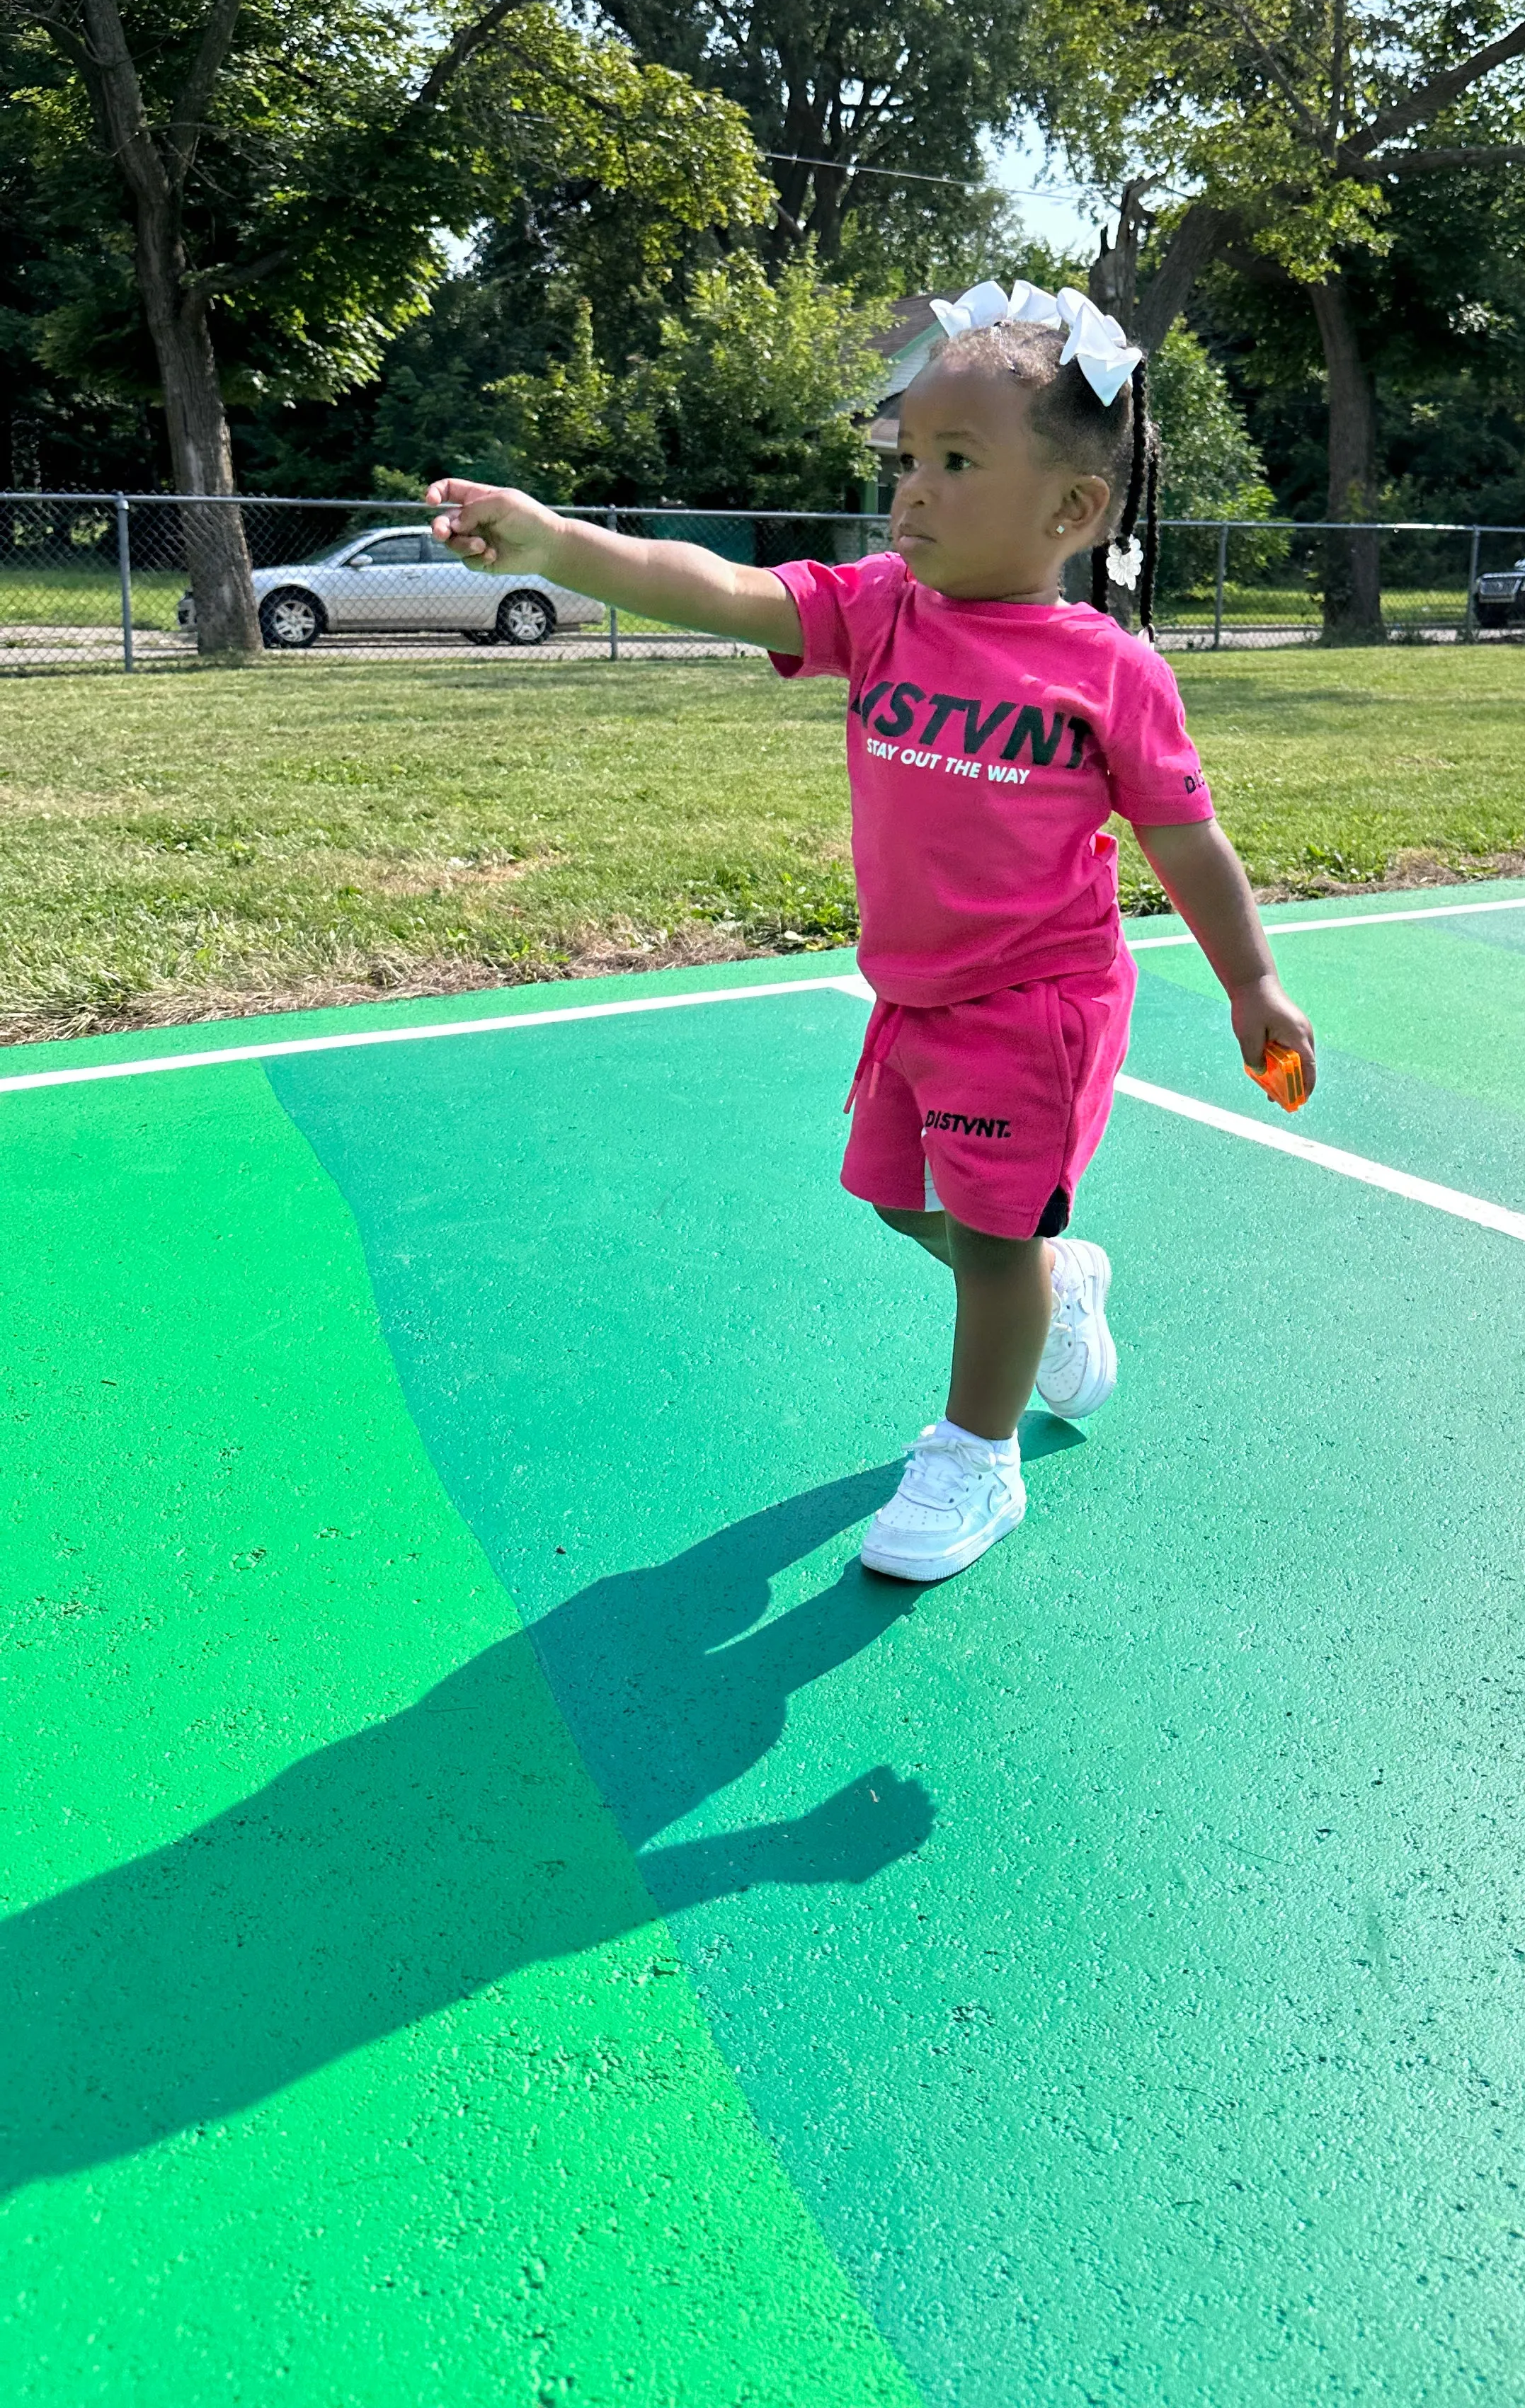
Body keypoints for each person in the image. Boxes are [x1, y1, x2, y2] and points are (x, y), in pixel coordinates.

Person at [425, 277, 1315, 1584]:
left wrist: (1254, 980)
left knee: (993, 1243)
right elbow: (716, 587)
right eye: (908, 460)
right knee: (905, 1203)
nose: (912, 491)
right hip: (914, 996)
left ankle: (977, 1456)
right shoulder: (879, 611)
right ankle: (1063, 1287)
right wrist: (562, 545)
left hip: (1037, 1005)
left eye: (956, 463)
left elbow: (1187, 840)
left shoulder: (1109, 672)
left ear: (1072, 510)